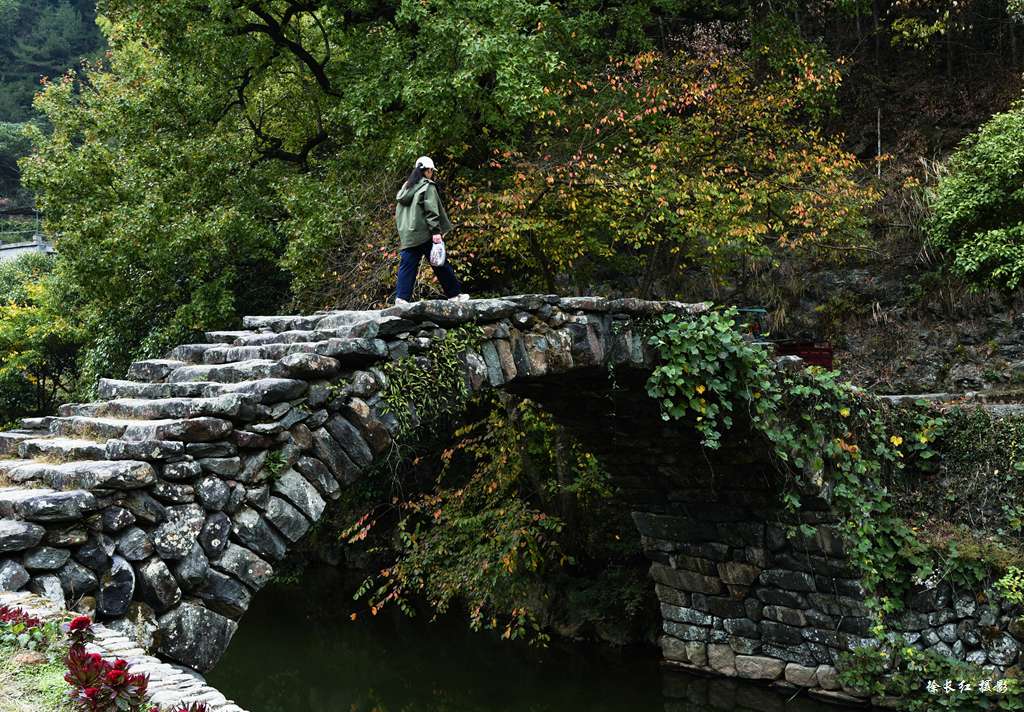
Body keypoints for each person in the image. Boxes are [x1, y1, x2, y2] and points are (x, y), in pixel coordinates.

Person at [393, 156, 469, 305]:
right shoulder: (427, 186)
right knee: (441, 264)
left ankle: (401, 298)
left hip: (409, 235)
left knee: (407, 266)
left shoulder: (406, 188)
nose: (432, 174)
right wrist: (436, 232)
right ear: (427, 171)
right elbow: (431, 211)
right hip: (425, 234)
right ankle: (455, 295)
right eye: (431, 171)